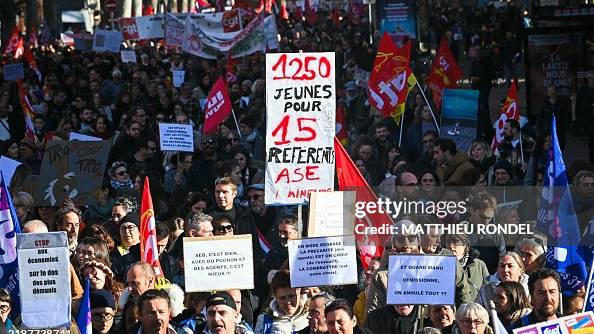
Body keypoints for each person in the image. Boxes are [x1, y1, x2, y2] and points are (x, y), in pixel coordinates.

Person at [254, 270, 309, 334]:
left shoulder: (311, 315)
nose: (288, 302)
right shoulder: (264, 321)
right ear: (275, 297)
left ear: (299, 292)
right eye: (282, 298)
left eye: (291, 296)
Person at [445, 234, 489, 302]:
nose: (451, 245)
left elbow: (488, 293)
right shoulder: (440, 265)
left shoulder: (479, 265)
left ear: (465, 244)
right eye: (448, 242)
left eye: (455, 242)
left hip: (475, 310)